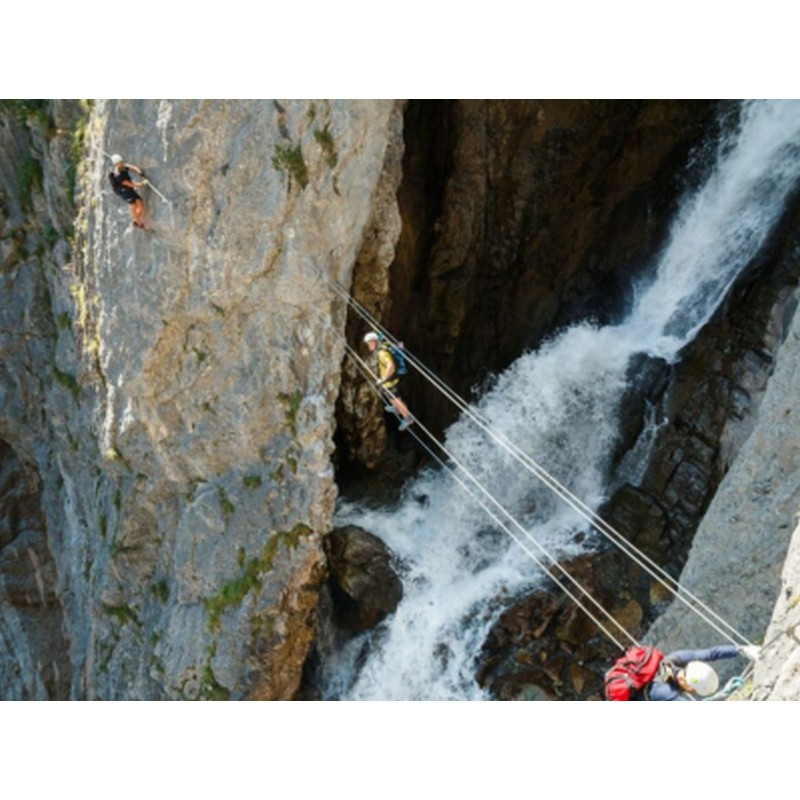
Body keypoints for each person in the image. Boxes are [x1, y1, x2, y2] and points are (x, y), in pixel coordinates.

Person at [641, 643, 760, 700]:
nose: (692, 692)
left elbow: (711, 653)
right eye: (693, 690)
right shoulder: (665, 692)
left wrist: (741, 650)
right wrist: (723, 694)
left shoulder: (676, 659)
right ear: (687, 683)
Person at [363, 331, 413, 431]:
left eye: (369, 343)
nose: (368, 345)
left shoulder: (382, 353)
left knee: (396, 399)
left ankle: (407, 418)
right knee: (391, 397)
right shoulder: (381, 350)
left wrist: (383, 379)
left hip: (390, 380)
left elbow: (391, 366)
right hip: (390, 381)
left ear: (374, 342)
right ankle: (395, 407)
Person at [108, 154, 148, 230]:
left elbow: (132, 168)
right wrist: (141, 184)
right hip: (123, 190)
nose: (122, 163)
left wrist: (140, 173)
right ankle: (137, 222)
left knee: (136, 203)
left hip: (127, 188)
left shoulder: (123, 167)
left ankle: (136, 221)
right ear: (116, 164)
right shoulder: (117, 174)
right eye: (120, 162)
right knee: (136, 202)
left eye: (121, 161)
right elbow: (129, 184)